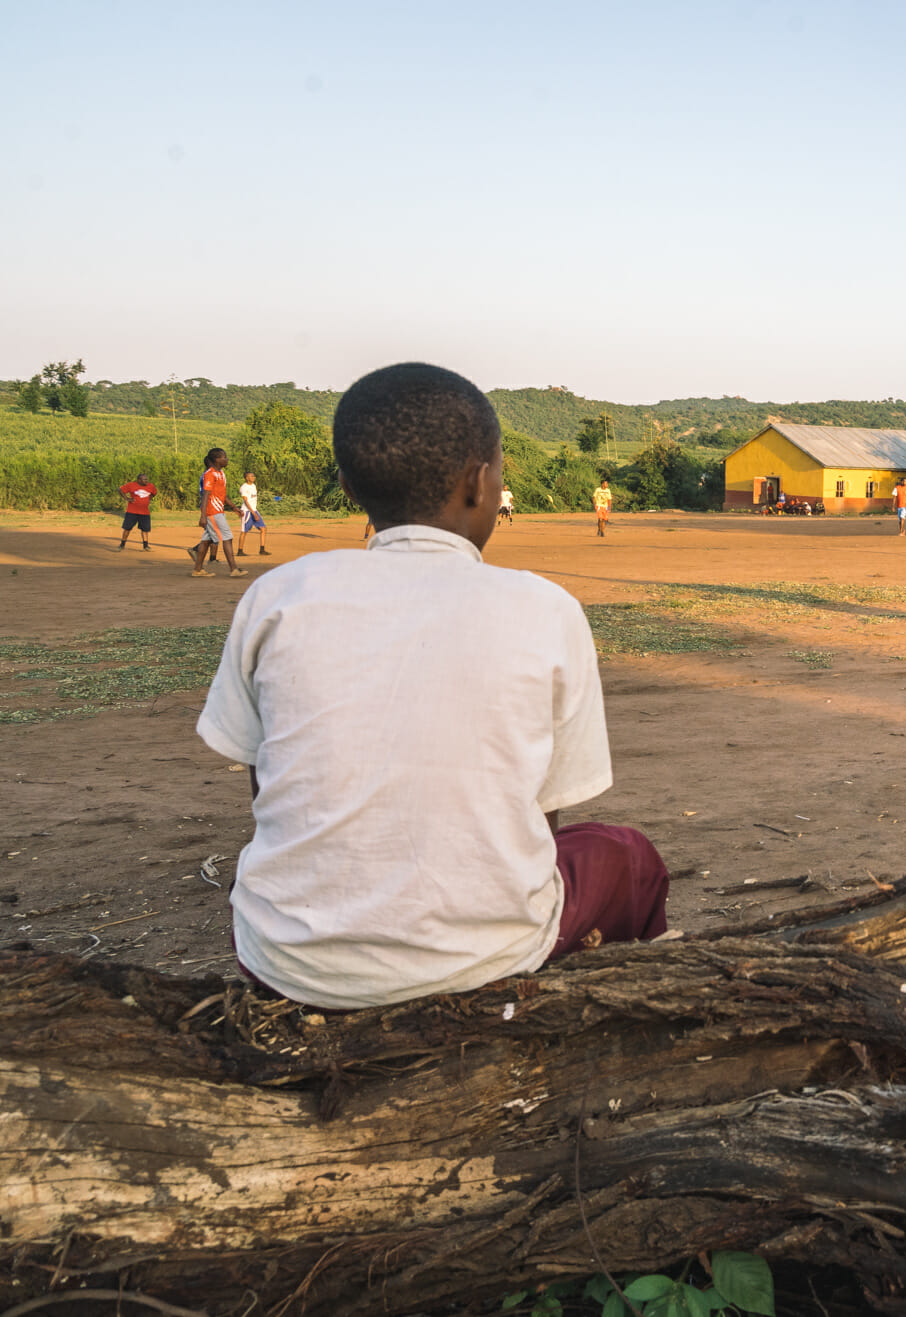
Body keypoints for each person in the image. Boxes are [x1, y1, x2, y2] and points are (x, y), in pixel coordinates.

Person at [194, 362, 669, 1010]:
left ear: (347, 483)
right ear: (480, 484)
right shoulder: (545, 608)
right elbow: (541, 819)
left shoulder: (279, 595)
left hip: (286, 960)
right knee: (628, 856)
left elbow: (262, 783)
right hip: (485, 962)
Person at [188, 448, 246, 578]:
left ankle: (197, 569)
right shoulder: (210, 474)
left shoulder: (221, 473)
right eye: (224, 457)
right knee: (227, 537)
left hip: (218, 510)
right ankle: (234, 569)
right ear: (216, 460)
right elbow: (206, 495)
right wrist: (203, 516)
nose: (226, 459)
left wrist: (234, 507)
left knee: (207, 540)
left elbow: (222, 495)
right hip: (212, 512)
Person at [116, 472, 157, 551]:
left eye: (146, 479)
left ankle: (146, 546)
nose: (146, 481)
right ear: (139, 480)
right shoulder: (131, 485)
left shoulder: (150, 486)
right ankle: (122, 545)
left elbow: (154, 492)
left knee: (145, 529)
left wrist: (149, 498)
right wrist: (127, 498)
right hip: (132, 512)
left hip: (145, 512)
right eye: (144, 479)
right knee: (127, 528)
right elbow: (120, 489)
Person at [237, 472, 271, 556]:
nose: (253, 477)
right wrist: (253, 513)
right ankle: (240, 551)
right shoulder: (244, 487)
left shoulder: (253, 486)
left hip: (254, 510)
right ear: (246, 478)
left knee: (263, 528)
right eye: (251, 476)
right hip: (247, 511)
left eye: (253, 476)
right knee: (244, 531)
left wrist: (255, 512)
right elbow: (246, 501)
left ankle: (262, 550)